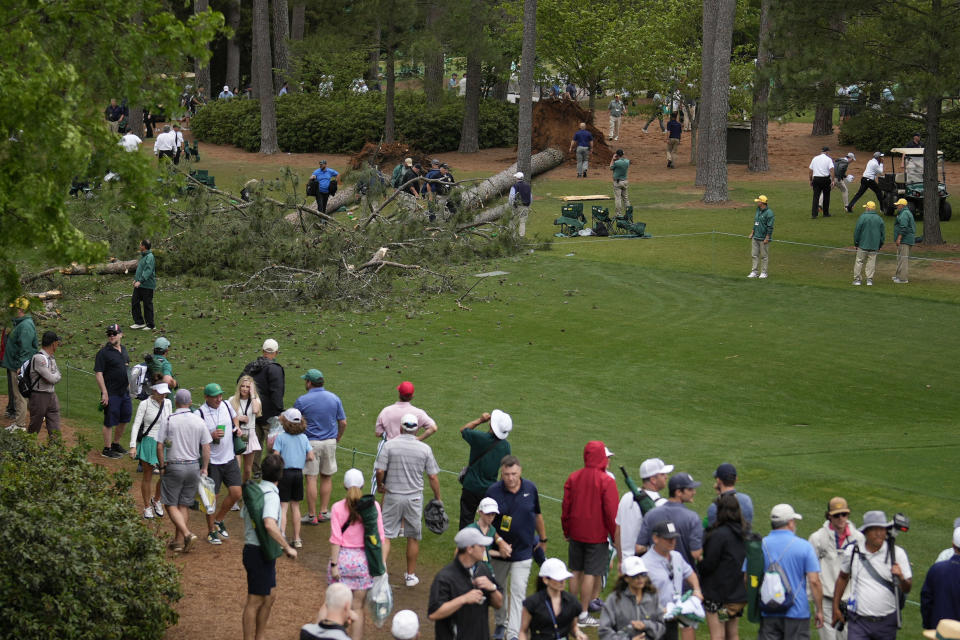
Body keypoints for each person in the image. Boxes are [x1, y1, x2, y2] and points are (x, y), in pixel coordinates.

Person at [375, 412, 442, 587]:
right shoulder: (424, 449)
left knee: (386, 535)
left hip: (392, 496)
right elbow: (433, 477)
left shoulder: (389, 445)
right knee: (412, 536)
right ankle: (410, 576)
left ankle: (382, 573)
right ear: (417, 429)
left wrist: (381, 485)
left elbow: (380, 471)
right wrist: (438, 498)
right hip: (414, 499)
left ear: (401, 428)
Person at [486, 455, 548, 640]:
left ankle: (513, 634)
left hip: (524, 551)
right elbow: (486, 522)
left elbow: (537, 515)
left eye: (513, 474)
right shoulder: (493, 492)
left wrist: (543, 539)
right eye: (506, 474)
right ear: (501, 473)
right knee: (499, 589)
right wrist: (500, 542)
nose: (510, 478)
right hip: (499, 552)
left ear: (520, 471)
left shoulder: (531, 488)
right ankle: (500, 623)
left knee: (518, 591)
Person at [561, 440, 619, 628]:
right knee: (591, 573)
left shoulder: (573, 477)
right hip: (597, 534)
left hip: (576, 532)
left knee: (575, 571)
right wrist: (615, 536)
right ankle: (584, 614)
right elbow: (612, 513)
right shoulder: (606, 481)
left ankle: (570, 612)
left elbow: (566, 506)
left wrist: (566, 529)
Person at [240, 453, 297, 640]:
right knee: (255, 600)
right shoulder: (271, 496)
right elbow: (269, 524)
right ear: (280, 476)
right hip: (259, 552)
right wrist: (287, 547)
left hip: (255, 550)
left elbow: (244, 516)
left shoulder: (255, 491)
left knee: (270, 596)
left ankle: (260, 636)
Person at [832, 511, 911, 640]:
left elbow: (907, 588)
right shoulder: (852, 551)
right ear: (865, 532)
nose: (879, 533)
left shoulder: (898, 553)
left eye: (882, 529)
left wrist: (901, 577)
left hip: (887, 623)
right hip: (858, 622)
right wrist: (835, 607)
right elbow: (842, 577)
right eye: (874, 529)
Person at [328, 468, 385, 640]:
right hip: (364, 563)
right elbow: (380, 538)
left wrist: (334, 565)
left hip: (343, 561)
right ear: (363, 485)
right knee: (358, 608)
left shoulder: (337, 507)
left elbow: (336, 539)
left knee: (335, 608)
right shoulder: (373, 506)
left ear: (344, 486)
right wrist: (380, 564)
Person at [156, 389, 212, 552]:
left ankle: (187, 534)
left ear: (176, 402)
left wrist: (161, 466)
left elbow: (160, 446)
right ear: (189, 402)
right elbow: (206, 446)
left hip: (175, 465)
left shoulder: (169, 419)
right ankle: (178, 542)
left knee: (170, 504)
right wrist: (205, 467)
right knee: (184, 504)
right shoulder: (198, 420)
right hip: (193, 466)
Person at [758, 504, 824, 640]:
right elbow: (814, 581)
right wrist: (819, 610)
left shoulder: (760, 546)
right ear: (790, 523)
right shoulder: (804, 547)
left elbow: (748, 578)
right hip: (797, 612)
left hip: (769, 611)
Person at [428, 527, 504, 640]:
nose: (484, 549)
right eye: (481, 546)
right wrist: (464, 599)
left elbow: (499, 604)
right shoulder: (445, 578)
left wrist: (492, 588)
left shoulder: (483, 570)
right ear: (469, 549)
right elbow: (434, 613)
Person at [295, 368, 347, 525]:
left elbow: (295, 422)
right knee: (327, 476)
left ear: (309, 383)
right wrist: (338, 437)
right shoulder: (334, 398)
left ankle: (311, 515)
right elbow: (343, 422)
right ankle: (324, 511)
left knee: (311, 478)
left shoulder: (302, 401)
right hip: (330, 442)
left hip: (310, 444)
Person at [808, 497, 865, 640]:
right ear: (829, 516)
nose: (841, 518)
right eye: (836, 515)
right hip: (826, 600)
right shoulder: (817, 539)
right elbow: (810, 574)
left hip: (849, 602)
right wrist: (817, 606)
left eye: (844, 514)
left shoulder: (858, 538)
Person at [196, 382, 243, 544]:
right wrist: (211, 435)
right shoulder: (200, 413)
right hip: (212, 462)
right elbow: (196, 437)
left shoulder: (226, 405)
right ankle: (211, 532)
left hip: (229, 458)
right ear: (206, 397)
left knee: (237, 492)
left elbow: (235, 417)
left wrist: (237, 427)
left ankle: (218, 520)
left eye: (220, 395)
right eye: (215, 396)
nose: (219, 399)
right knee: (211, 500)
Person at [641, 521, 703, 640]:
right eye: (668, 538)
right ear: (655, 538)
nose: (672, 542)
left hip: (672, 619)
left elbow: (689, 573)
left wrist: (697, 589)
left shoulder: (677, 557)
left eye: (674, 538)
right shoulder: (645, 564)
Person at [699, 494, 748, 640]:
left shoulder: (718, 535)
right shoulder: (744, 534)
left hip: (718, 596)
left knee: (718, 635)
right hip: (736, 595)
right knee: (732, 634)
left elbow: (709, 564)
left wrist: (699, 566)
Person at [458, 409, 512, 529]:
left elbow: (464, 430)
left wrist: (480, 420)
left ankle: (465, 546)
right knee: (488, 522)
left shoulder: (480, 437)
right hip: (490, 489)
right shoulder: (506, 446)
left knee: (466, 520)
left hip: (470, 486)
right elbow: (505, 471)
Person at [637, 473, 704, 567]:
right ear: (678, 492)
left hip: (656, 574)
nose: (694, 492)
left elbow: (639, 548)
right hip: (684, 576)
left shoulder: (651, 514)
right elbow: (696, 554)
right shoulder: (692, 518)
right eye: (690, 489)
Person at [241, 338, 285, 479]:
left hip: (251, 412)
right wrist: (279, 411)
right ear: (276, 352)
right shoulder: (275, 369)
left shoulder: (251, 366)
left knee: (255, 442)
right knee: (271, 444)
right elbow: (277, 391)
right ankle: (270, 470)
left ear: (262, 351)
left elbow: (239, 383)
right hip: (269, 414)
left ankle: (256, 470)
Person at [615, 458, 672, 566]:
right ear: (653, 479)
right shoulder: (662, 504)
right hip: (648, 565)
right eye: (663, 474)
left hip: (627, 564)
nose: (666, 477)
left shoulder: (626, 497)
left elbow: (618, 532)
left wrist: (621, 560)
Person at [129, 382, 171, 518]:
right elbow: (136, 424)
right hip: (148, 442)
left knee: (165, 475)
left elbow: (170, 422)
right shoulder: (144, 404)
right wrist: (132, 445)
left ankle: (157, 500)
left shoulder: (168, 403)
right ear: (153, 391)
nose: (163, 395)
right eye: (160, 392)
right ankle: (147, 506)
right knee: (147, 475)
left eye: (165, 393)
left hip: (163, 443)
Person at [598, 555, 665, 640]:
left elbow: (661, 627)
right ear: (626, 578)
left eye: (643, 574)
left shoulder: (653, 597)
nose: (640, 578)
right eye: (635, 575)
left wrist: (645, 625)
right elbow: (604, 631)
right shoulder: (614, 599)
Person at [273, 408, 313, 549]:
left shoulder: (281, 437)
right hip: (298, 474)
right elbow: (311, 456)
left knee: (283, 507)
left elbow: (276, 456)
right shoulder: (304, 438)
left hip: (285, 474)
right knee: (295, 506)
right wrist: (301, 459)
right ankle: (297, 539)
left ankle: (281, 537)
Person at [521, 558, 586, 640]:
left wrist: (578, 633)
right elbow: (523, 631)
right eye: (558, 578)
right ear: (545, 580)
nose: (562, 581)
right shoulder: (532, 603)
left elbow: (573, 627)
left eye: (564, 578)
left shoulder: (572, 602)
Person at [94, 323, 132, 459]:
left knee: (125, 417)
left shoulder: (124, 350)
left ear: (121, 334)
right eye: (109, 334)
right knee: (110, 420)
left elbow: (127, 370)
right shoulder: (103, 353)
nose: (111, 336)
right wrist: (104, 392)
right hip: (111, 393)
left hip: (124, 393)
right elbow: (98, 373)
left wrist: (130, 388)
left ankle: (115, 444)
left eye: (114, 333)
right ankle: (107, 448)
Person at [2, 297, 36, 431]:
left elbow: (26, 349)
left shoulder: (25, 325)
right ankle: (18, 422)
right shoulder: (20, 324)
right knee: (19, 395)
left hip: (18, 367)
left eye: (14, 308)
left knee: (20, 395)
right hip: (15, 364)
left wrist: (20, 367)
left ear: (21, 309)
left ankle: (20, 425)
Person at [921, 528, 960, 630]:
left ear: (953, 544)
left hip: (939, 629)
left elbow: (926, 601)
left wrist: (928, 626)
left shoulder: (937, 569)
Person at [26, 331, 61, 438]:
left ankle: (55, 450)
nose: (58, 344)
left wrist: (54, 376)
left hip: (51, 395)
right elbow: (52, 378)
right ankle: (26, 448)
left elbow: (58, 375)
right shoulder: (39, 358)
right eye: (57, 342)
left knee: (55, 426)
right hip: (39, 396)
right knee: (35, 427)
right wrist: (55, 376)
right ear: (53, 343)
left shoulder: (51, 357)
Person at [229, 375, 263, 483]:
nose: (244, 389)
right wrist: (238, 418)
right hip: (237, 435)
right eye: (242, 386)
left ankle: (245, 490)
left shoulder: (255, 400)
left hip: (250, 434)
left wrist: (252, 394)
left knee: (248, 470)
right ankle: (236, 492)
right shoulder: (232, 400)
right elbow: (226, 418)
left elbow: (256, 410)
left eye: (247, 387)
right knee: (237, 468)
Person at [467, 497, 508, 571]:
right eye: (488, 514)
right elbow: (460, 552)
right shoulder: (471, 529)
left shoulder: (492, 530)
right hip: (472, 569)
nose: (491, 517)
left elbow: (486, 550)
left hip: (487, 569)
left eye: (493, 514)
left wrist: (500, 553)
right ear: (480, 512)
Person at [852, 201, 885, 286]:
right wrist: (880, 244)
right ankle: (869, 280)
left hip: (862, 244)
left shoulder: (862, 217)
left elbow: (857, 231)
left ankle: (857, 280)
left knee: (859, 261)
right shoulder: (879, 219)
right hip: (874, 245)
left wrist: (856, 243)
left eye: (866, 207)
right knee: (871, 262)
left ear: (868, 208)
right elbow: (882, 234)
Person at [130, 240, 156, 330]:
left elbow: (147, 271)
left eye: (140, 245)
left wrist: (140, 281)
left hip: (147, 285)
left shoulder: (150, 257)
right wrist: (136, 280)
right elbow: (140, 270)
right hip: (140, 284)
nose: (139, 246)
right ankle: (139, 322)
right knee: (134, 301)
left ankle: (150, 325)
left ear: (144, 246)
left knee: (147, 304)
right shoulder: (143, 256)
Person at [747, 195, 775, 280]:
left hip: (764, 239)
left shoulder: (769, 213)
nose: (757, 202)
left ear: (762, 203)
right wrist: (752, 232)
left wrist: (767, 237)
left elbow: (770, 227)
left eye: (758, 201)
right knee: (754, 255)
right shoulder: (758, 210)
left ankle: (763, 272)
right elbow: (756, 222)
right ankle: (754, 272)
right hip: (756, 237)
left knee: (764, 256)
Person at [809, 147, 837, 218]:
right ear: (827, 152)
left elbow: (810, 170)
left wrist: (810, 180)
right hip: (825, 179)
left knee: (816, 197)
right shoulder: (828, 159)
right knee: (826, 196)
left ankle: (814, 214)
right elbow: (832, 170)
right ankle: (826, 213)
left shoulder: (815, 158)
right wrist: (833, 180)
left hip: (816, 179)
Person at [892, 198, 915, 284]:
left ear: (902, 205)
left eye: (898, 205)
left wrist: (899, 238)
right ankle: (898, 275)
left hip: (905, 240)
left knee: (903, 259)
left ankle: (903, 279)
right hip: (905, 239)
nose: (897, 206)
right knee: (900, 258)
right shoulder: (903, 213)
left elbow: (904, 227)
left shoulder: (904, 214)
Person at [508, 172, 532, 237]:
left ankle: (512, 236)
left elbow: (511, 197)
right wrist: (529, 206)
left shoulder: (515, 186)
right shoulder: (528, 186)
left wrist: (510, 205)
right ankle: (521, 236)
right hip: (525, 206)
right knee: (522, 222)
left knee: (513, 221)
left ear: (517, 178)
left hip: (516, 206)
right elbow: (530, 197)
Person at [610, 150, 631, 217]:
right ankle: (629, 213)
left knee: (618, 198)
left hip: (618, 182)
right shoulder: (627, 162)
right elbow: (626, 159)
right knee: (626, 198)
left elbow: (611, 167)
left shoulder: (616, 162)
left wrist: (613, 159)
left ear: (617, 155)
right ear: (623, 154)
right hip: (625, 181)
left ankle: (618, 214)